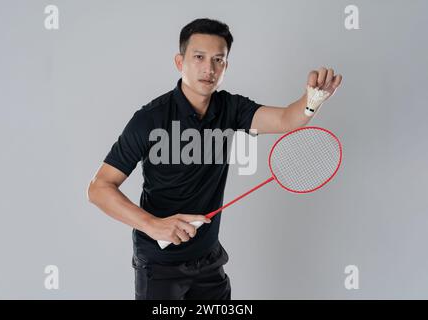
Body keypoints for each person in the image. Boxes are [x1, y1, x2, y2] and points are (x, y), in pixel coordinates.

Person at [87, 18, 342, 300]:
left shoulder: (230, 108)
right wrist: (153, 225)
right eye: (199, 57)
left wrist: (312, 102)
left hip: (209, 262)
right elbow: (99, 188)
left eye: (218, 60)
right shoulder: (150, 119)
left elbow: (285, 119)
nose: (209, 69)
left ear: (225, 67)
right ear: (179, 62)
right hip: (160, 267)